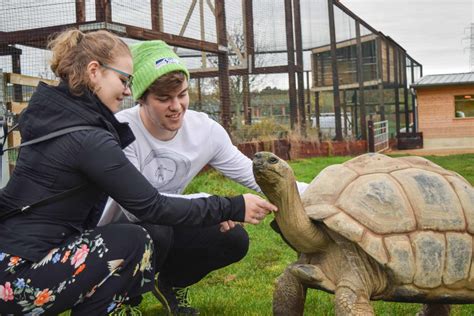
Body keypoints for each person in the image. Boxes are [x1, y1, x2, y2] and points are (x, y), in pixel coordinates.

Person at [0, 29, 276, 316]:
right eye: (123, 80)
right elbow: (151, 206)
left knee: (129, 237)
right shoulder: (88, 139)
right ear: (95, 71)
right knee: (132, 239)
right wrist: (231, 205)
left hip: (16, 263)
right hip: (18, 278)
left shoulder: (60, 118)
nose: (128, 90)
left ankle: (118, 305)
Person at [98, 40, 307, 315]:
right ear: (141, 98)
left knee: (234, 240)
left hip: (169, 220)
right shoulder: (122, 131)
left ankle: (173, 282)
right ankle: (122, 300)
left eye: (182, 95)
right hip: (115, 234)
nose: (177, 106)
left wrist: (324, 193)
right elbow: (139, 207)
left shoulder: (204, 130)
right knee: (153, 229)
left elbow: (254, 175)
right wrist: (214, 204)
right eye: (164, 99)